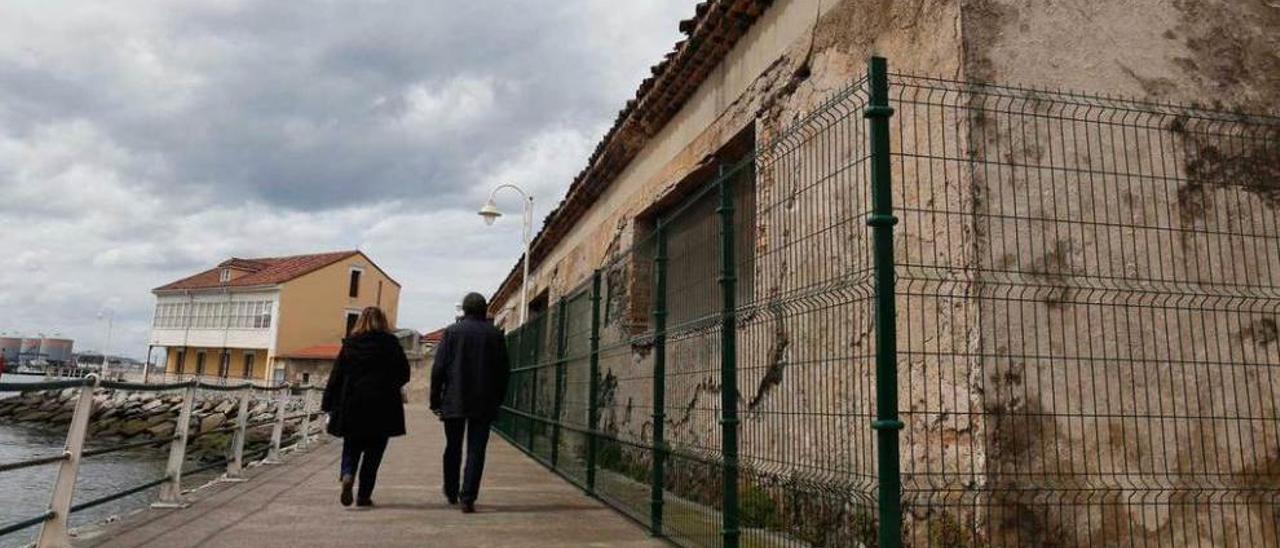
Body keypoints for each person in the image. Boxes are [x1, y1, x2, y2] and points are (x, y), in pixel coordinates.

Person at [321, 306, 410, 508]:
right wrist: (388, 385)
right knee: (374, 453)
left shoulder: (350, 344)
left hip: (352, 405)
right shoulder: (391, 344)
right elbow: (404, 373)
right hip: (382, 407)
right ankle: (363, 496)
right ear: (383, 322)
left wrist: (328, 404)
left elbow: (337, 376)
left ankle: (347, 473)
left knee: (351, 446)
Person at [430, 292, 510, 513]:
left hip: (454, 399)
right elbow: (504, 371)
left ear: (464, 310)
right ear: (484, 310)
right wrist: (499, 399)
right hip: (484, 401)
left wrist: (435, 399)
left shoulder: (452, 333)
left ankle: (451, 489)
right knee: (477, 449)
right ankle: (468, 496)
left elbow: (438, 369)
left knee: (452, 446)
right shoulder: (495, 335)